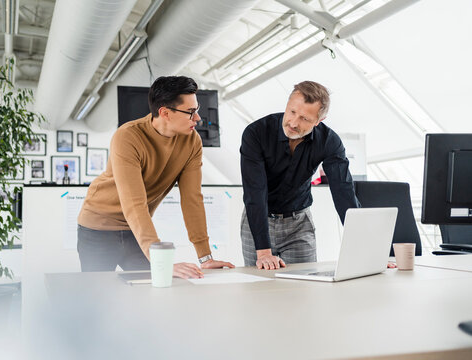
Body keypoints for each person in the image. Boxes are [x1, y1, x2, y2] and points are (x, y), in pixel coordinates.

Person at [77, 76, 234, 278]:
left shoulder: (192, 142)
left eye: (197, 110)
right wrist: (161, 260)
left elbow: (192, 199)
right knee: (95, 296)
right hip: (97, 227)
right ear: (165, 113)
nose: (198, 119)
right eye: (191, 112)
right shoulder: (128, 136)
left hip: (136, 231)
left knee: (154, 290)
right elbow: (134, 203)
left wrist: (205, 257)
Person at [240, 80, 360, 270]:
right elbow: (255, 192)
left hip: (299, 225)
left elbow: (343, 191)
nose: (294, 123)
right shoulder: (256, 133)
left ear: (319, 121)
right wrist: (263, 252)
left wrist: (365, 248)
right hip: (257, 221)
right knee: (259, 287)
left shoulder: (329, 141)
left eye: (305, 119)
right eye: (292, 112)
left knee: (304, 288)